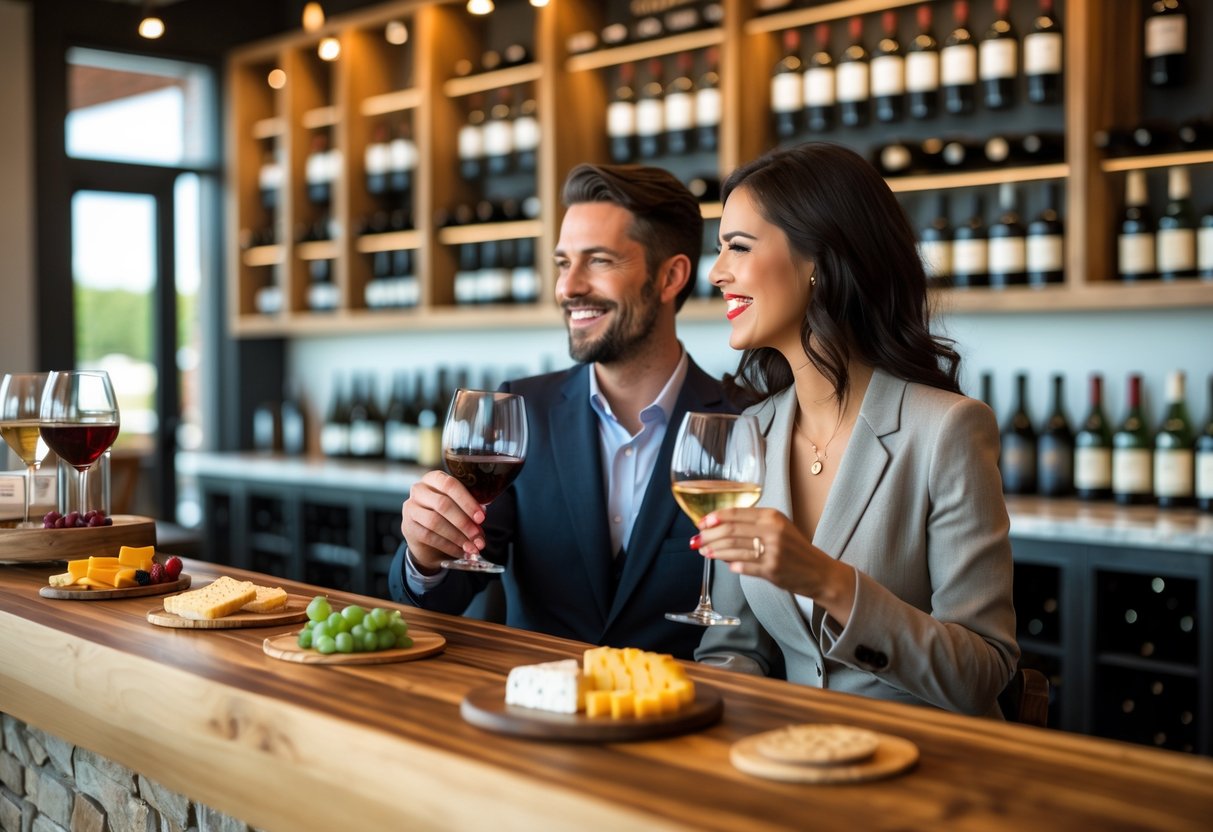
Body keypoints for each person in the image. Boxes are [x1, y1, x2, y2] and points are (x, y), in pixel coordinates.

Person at [693, 143, 1019, 717]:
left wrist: (829, 582)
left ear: (819, 259)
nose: (717, 273)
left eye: (737, 248)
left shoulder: (948, 430)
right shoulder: (752, 433)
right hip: (787, 763)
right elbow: (731, 649)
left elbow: (983, 672)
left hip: (930, 770)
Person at [390, 163, 734, 659]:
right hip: (534, 713)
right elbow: (446, 594)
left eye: (597, 261)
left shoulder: (743, 423)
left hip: (680, 715)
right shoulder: (523, 410)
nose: (568, 288)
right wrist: (426, 554)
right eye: (561, 262)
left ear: (671, 276)